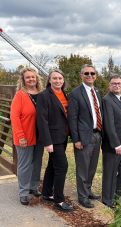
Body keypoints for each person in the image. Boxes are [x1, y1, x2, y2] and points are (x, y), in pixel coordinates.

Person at [36, 69, 73, 212]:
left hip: (63, 136)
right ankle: (59, 200)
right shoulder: (44, 96)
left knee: (52, 165)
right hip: (53, 138)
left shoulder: (64, 94)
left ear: (63, 80)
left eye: (60, 78)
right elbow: (42, 120)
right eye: (55, 78)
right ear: (49, 80)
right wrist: (47, 142)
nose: (58, 81)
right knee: (62, 166)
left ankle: (46, 192)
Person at [68, 64, 102, 208]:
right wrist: (76, 139)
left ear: (95, 76)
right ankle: (82, 196)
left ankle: (88, 191)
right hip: (83, 137)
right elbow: (72, 118)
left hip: (97, 134)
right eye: (86, 73)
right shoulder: (76, 93)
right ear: (81, 75)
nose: (90, 76)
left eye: (92, 73)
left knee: (92, 167)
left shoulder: (97, 92)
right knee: (83, 168)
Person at [10, 67, 44, 205]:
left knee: (37, 162)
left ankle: (33, 187)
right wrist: (20, 136)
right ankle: (23, 192)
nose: (31, 79)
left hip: (40, 136)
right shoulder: (20, 95)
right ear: (23, 80)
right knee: (24, 165)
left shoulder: (42, 94)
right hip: (24, 136)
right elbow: (14, 116)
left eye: (33, 76)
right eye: (28, 77)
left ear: (37, 78)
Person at [102, 74, 121, 208]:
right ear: (110, 86)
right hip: (113, 146)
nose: (116, 85)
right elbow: (109, 124)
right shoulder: (107, 100)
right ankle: (107, 200)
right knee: (110, 172)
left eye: (119, 83)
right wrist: (116, 144)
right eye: (114, 83)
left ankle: (120, 197)